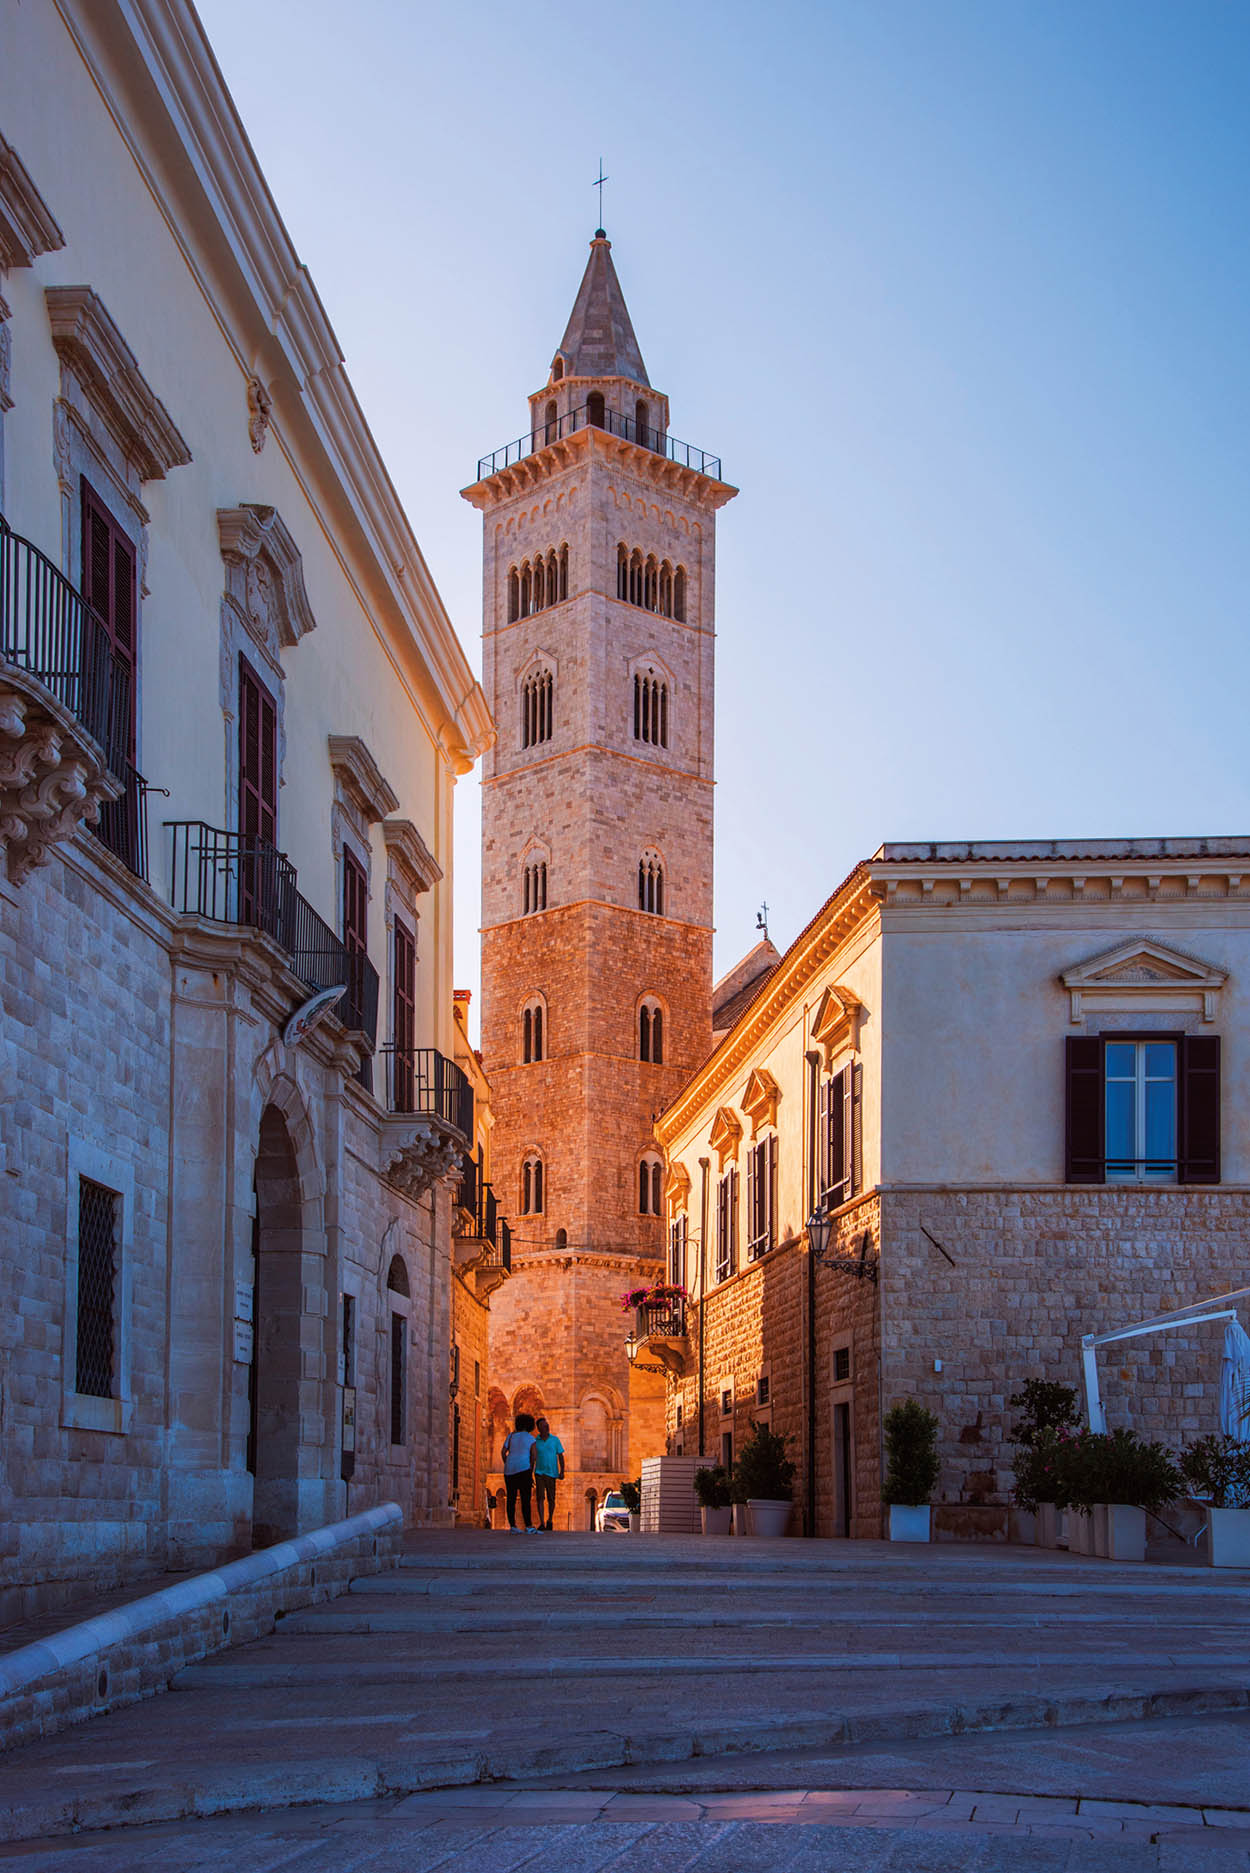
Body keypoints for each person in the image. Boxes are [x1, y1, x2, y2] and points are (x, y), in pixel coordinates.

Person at [501, 1411, 538, 1533]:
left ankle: (513, 1526)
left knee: (511, 1497)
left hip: (509, 1469)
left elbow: (503, 1452)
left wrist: (508, 1462)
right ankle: (528, 1525)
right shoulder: (531, 1439)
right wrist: (530, 1471)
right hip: (524, 1469)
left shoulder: (510, 1436)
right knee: (525, 1498)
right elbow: (533, 1456)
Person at [533, 1416, 565, 1530]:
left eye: (547, 1425)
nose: (547, 1427)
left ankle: (550, 1519)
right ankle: (542, 1522)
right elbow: (533, 1457)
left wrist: (562, 1471)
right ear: (539, 1428)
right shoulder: (535, 1441)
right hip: (539, 1473)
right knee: (540, 1498)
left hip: (552, 1473)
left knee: (551, 1498)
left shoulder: (555, 1440)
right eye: (544, 1426)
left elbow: (560, 1455)